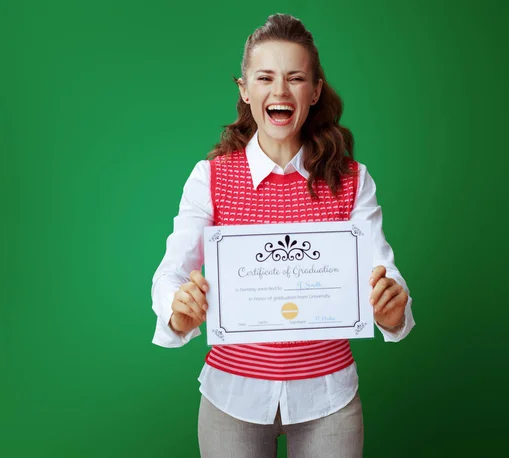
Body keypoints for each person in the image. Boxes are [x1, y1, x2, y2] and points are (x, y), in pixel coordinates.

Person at [151, 13, 415, 458]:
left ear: (314, 91)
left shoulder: (352, 179)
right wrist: (178, 312)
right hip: (230, 397)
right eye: (265, 78)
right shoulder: (209, 179)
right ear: (245, 89)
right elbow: (170, 275)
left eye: (295, 78)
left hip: (329, 398)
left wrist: (393, 307)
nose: (280, 91)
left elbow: (383, 269)